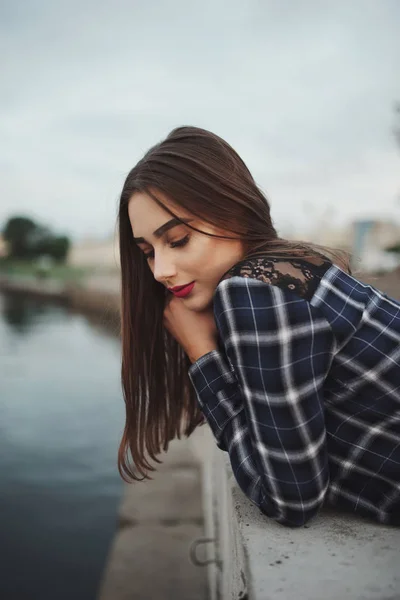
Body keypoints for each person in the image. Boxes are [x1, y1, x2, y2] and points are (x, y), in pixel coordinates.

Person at [117, 125, 400, 528]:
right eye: (148, 252)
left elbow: (290, 498)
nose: (161, 271)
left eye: (177, 240)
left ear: (233, 214)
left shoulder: (251, 292)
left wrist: (201, 354)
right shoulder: (292, 265)